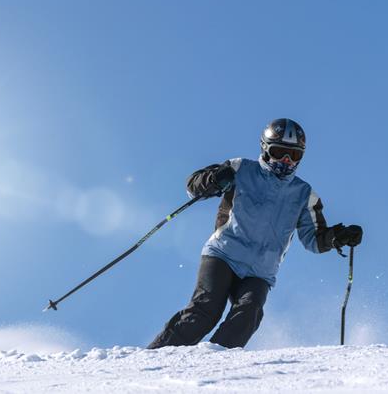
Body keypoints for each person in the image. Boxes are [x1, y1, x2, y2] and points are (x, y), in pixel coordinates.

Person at [148, 118, 363, 349]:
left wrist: (338, 237)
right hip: (223, 254)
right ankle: (156, 356)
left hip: (260, 271)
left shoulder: (304, 194)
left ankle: (214, 362)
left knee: (249, 313)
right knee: (205, 311)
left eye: (294, 155)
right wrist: (215, 179)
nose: (286, 161)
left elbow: (315, 240)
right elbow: (193, 186)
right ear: (265, 148)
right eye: (279, 152)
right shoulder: (241, 168)